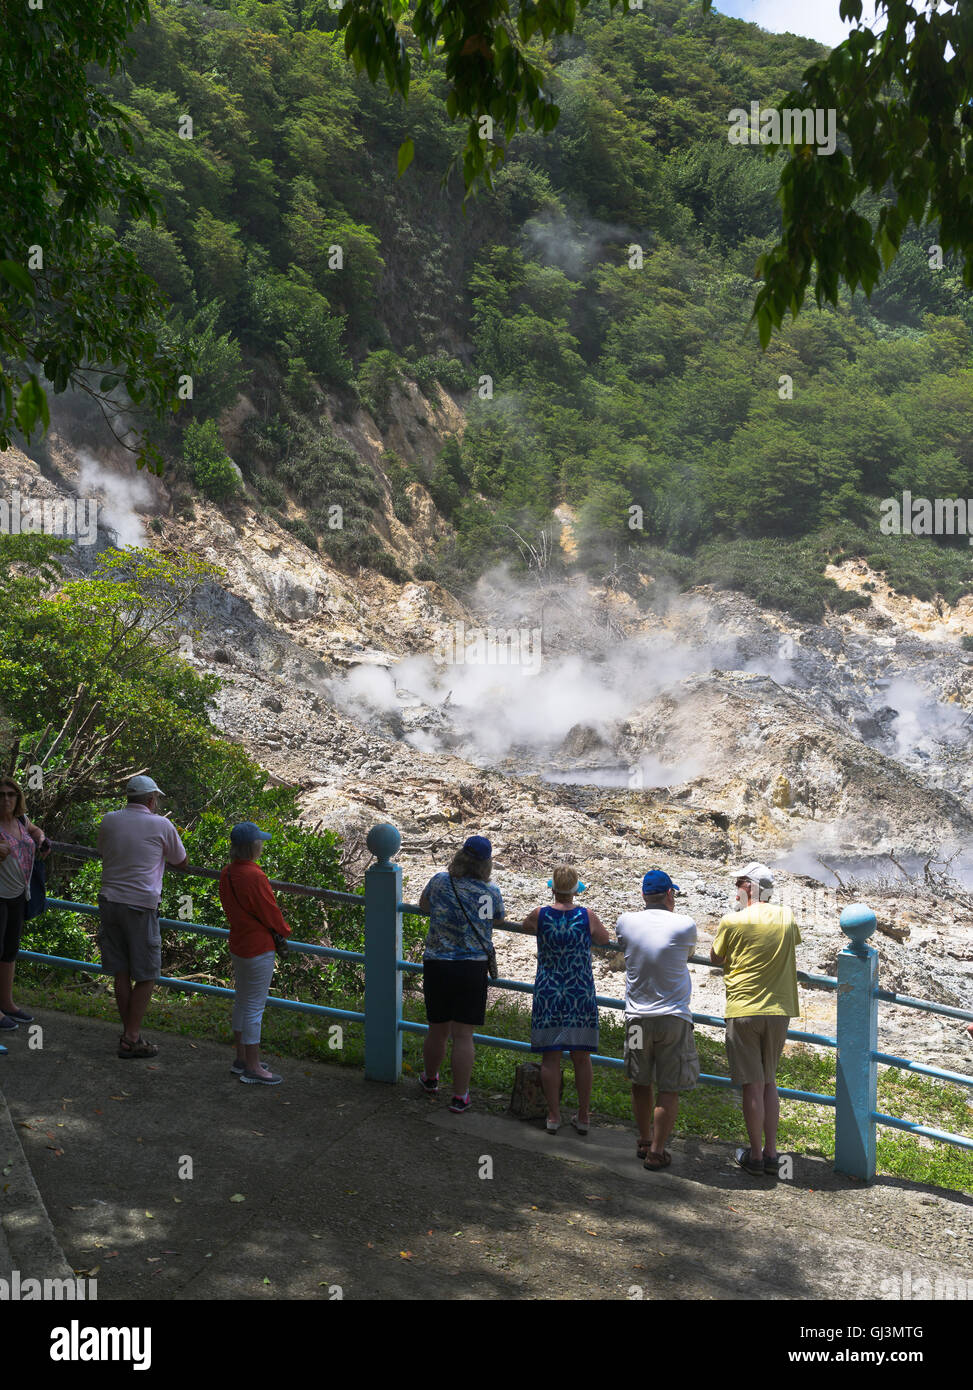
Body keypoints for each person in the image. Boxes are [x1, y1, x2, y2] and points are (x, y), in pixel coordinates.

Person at [710, 860, 801, 1177]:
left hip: (744, 1010)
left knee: (752, 1085)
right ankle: (774, 1153)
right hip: (779, 1011)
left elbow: (715, 957)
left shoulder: (732, 922)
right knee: (769, 1082)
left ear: (749, 887)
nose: (736, 889)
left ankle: (756, 1156)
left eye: (738, 883)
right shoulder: (787, 918)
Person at [97, 775, 187, 1058]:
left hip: (109, 901)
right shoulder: (161, 824)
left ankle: (129, 1036)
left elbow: (103, 850)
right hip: (140, 906)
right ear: (151, 800)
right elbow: (180, 861)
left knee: (121, 972)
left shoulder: (109, 819)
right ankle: (132, 1036)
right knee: (147, 975)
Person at [616, 870, 699, 1171]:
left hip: (638, 1018)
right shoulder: (685, 925)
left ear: (642, 896)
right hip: (673, 1019)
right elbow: (688, 955)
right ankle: (657, 1150)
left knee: (640, 1080)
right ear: (669, 895)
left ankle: (642, 1139)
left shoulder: (625, 921)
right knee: (669, 1086)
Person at [417, 835, 504, 1113]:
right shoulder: (489, 893)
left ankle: (430, 1079)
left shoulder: (441, 881)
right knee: (463, 1036)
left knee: (437, 1029)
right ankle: (459, 1096)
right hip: (471, 968)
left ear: (459, 856)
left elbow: (424, 906)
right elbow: (497, 918)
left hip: (437, 964)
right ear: (486, 865)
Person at [522, 866, 610, 1134]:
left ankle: (553, 1115)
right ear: (576, 890)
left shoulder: (540, 914)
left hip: (549, 991)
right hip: (579, 991)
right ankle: (583, 1116)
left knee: (551, 1058)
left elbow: (526, 926)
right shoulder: (587, 915)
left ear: (553, 887)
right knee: (582, 1058)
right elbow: (604, 939)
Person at [218, 822, 291, 1086]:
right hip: (258, 946)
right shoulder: (255, 875)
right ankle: (253, 1067)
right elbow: (269, 910)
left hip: (238, 942)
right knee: (254, 1007)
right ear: (252, 847)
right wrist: (285, 931)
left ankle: (241, 1059)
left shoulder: (227, 873)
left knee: (242, 1001)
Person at [0, 776, 50, 1037]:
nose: (6, 799)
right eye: (2, 794)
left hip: (18, 894)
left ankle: (6, 1003)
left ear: (18, 798)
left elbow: (34, 830)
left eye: (11, 794)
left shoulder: (20, 821)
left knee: (10, 951)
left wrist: (41, 838)